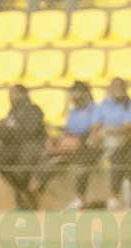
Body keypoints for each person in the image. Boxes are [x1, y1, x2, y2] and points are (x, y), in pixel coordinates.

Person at [41, 81, 99, 210]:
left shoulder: (94, 110)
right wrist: (58, 138)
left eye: (77, 94)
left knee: (81, 164)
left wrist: (76, 140)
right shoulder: (72, 112)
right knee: (47, 154)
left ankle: (80, 198)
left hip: (88, 145)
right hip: (72, 144)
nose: (74, 98)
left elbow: (94, 131)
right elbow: (69, 131)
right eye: (73, 94)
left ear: (86, 94)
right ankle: (39, 190)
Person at [91, 77, 131, 210]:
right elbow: (95, 126)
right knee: (89, 148)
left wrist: (107, 131)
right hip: (104, 140)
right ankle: (86, 200)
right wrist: (98, 135)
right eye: (114, 87)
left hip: (123, 141)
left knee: (120, 158)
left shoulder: (130, 105)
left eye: (120, 87)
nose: (117, 90)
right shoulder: (103, 104)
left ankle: (118, 197)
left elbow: (127, 127)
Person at [0, 84, 46, 210]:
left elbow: (32, 130)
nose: (11, 97)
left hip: (33, 144)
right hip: (15, 146)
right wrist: (4, 127)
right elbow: (8, 130)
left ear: (24, 94)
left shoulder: (34, 110)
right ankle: (22, 189)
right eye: (11, 94)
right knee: (0, 159)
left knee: (24, 163)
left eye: (15, 94)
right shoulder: (12, 112)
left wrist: (13, 126)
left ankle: (26, 194)